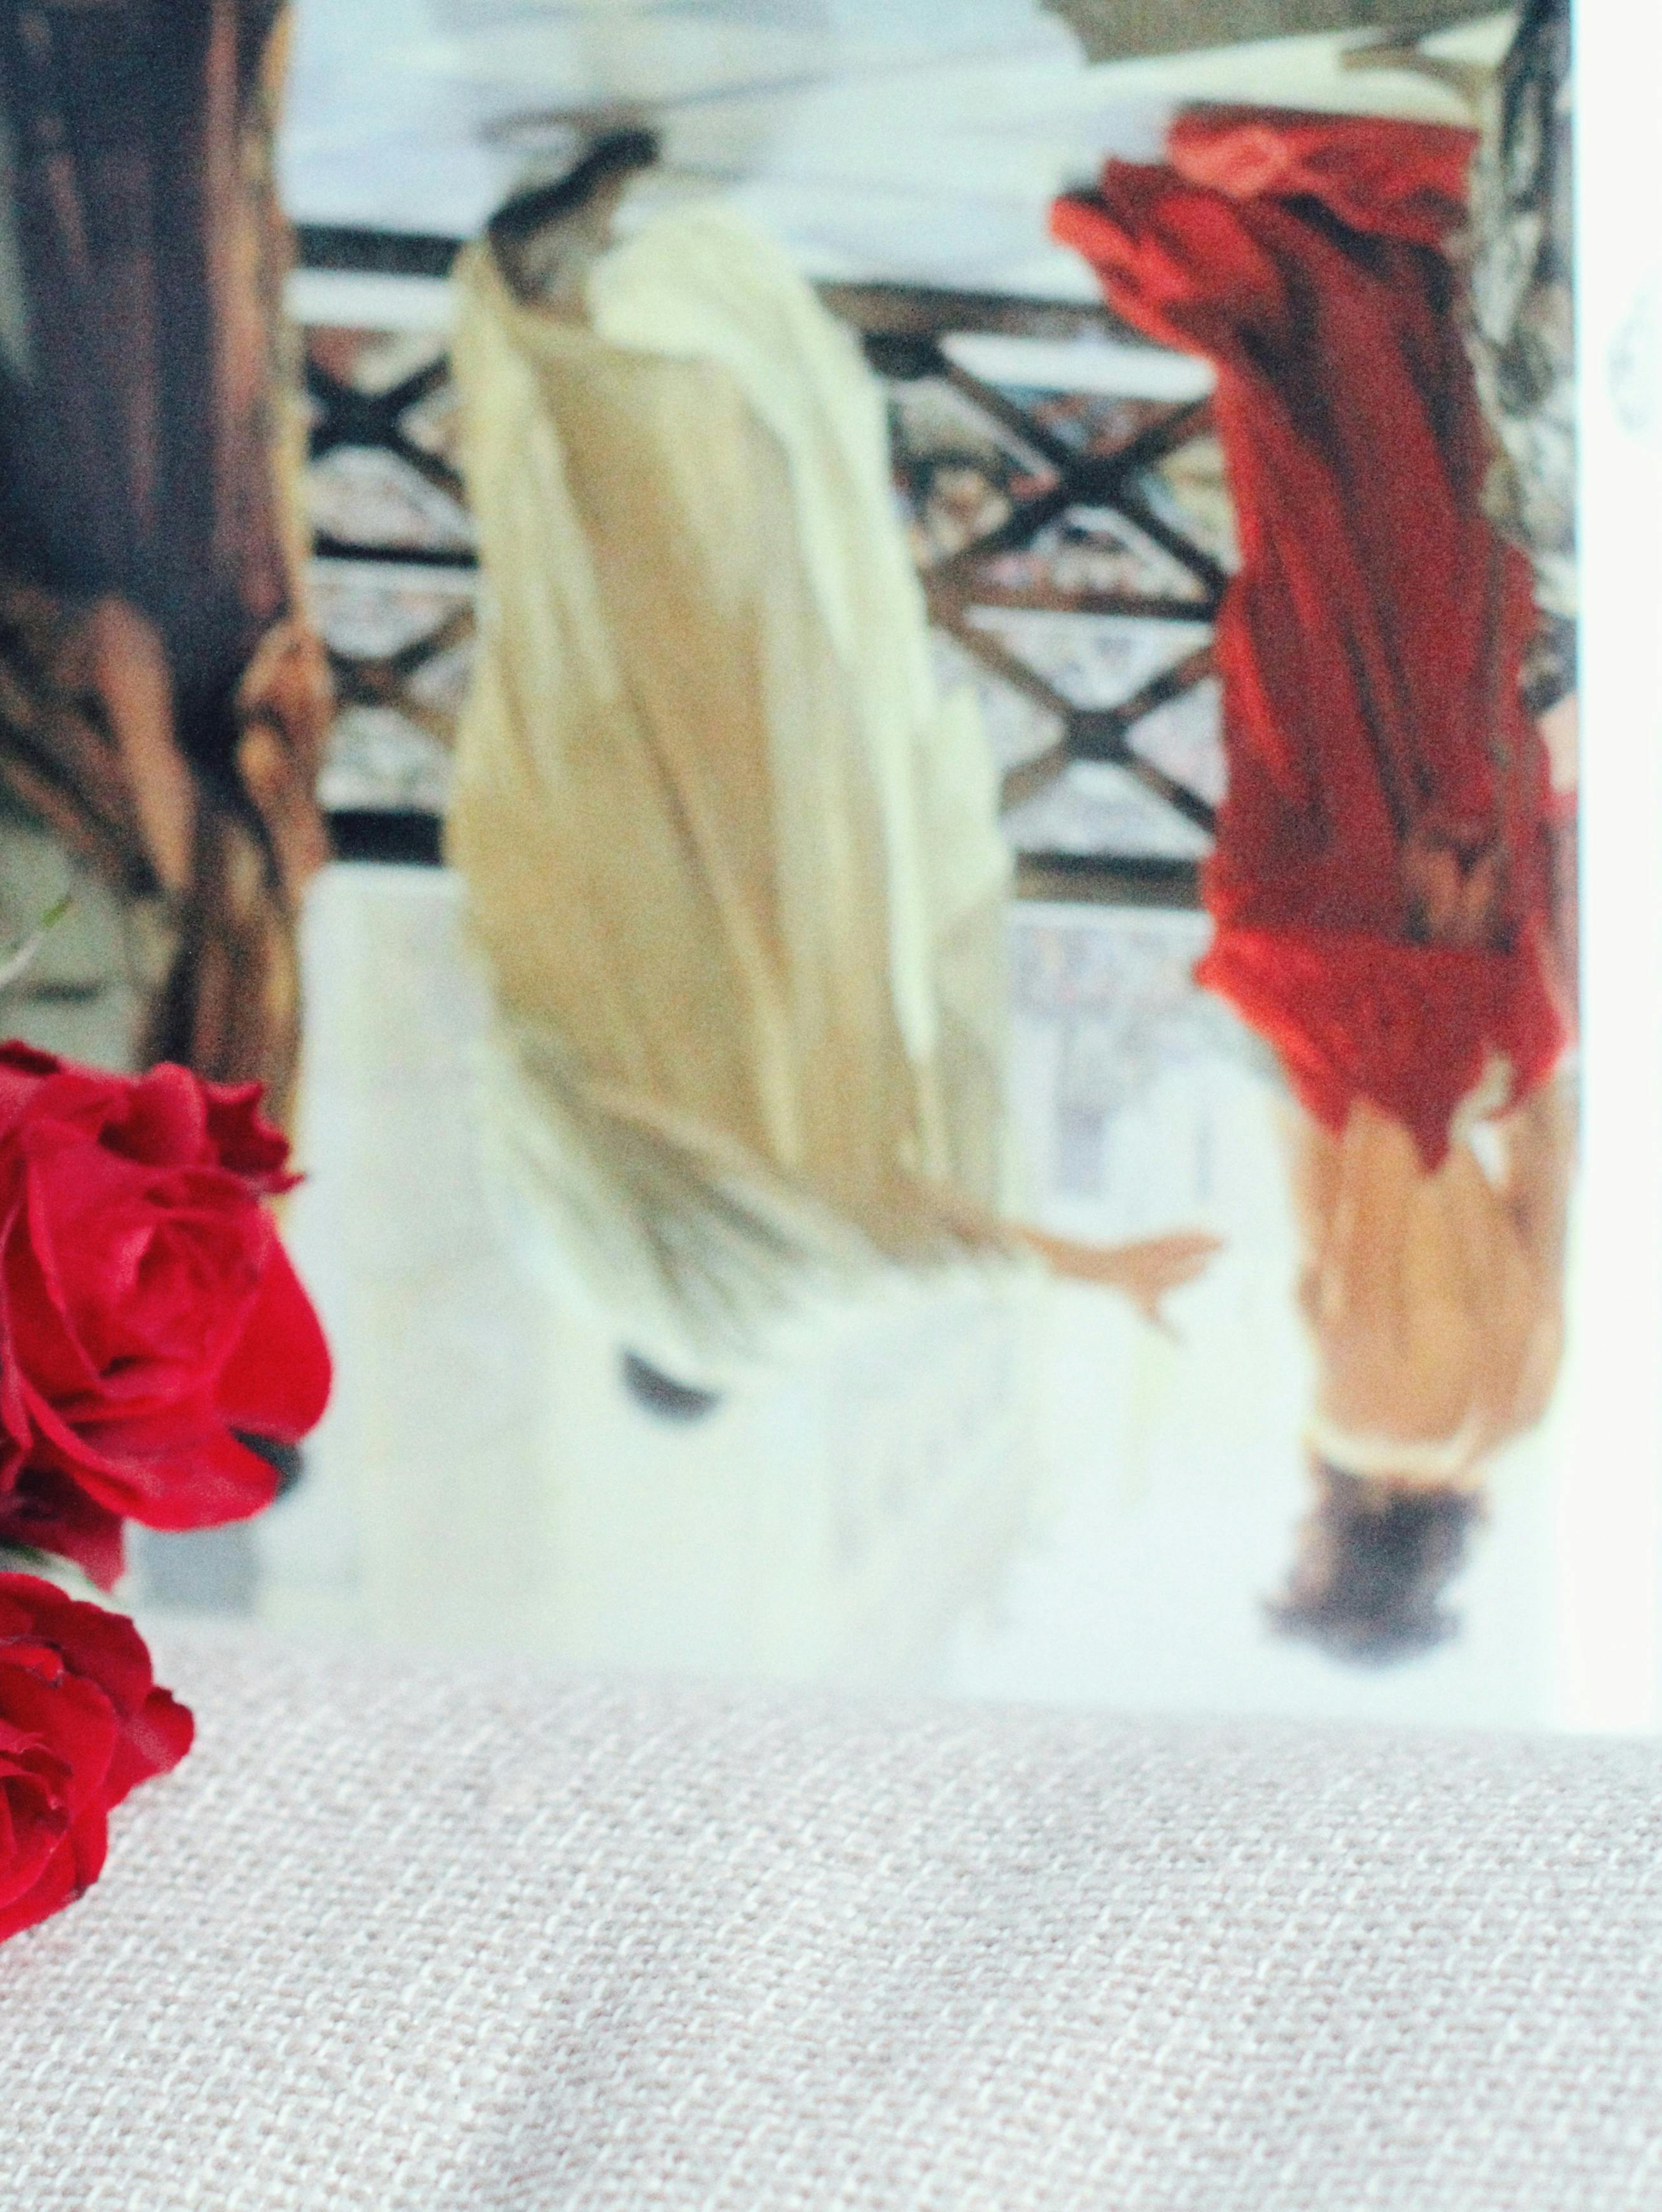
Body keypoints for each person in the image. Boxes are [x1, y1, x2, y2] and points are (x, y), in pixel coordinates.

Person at [443, 136, 1217, 1413]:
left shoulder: (728, 1315)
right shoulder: (579, 1248)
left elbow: (901, 1257)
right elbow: (520, 1071)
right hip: (616, 893)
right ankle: (545, 311)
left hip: (738, 905)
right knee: (595, 606)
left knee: (708, 595)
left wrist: (1089, 1270)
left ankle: (554, 309)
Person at [1053, 108, 1572, 1660]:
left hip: (1477, 1016)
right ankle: (1330, 291)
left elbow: (1544, 1162)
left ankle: (1417, 313)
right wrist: (1388, 1000)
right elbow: (1356, 1187)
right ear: (1343, 1558)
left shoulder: (1518, 1415)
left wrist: (1499, 994)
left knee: (1430, 623)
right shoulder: (1363, 1415)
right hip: (1367, 1000)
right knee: (1314, 629)